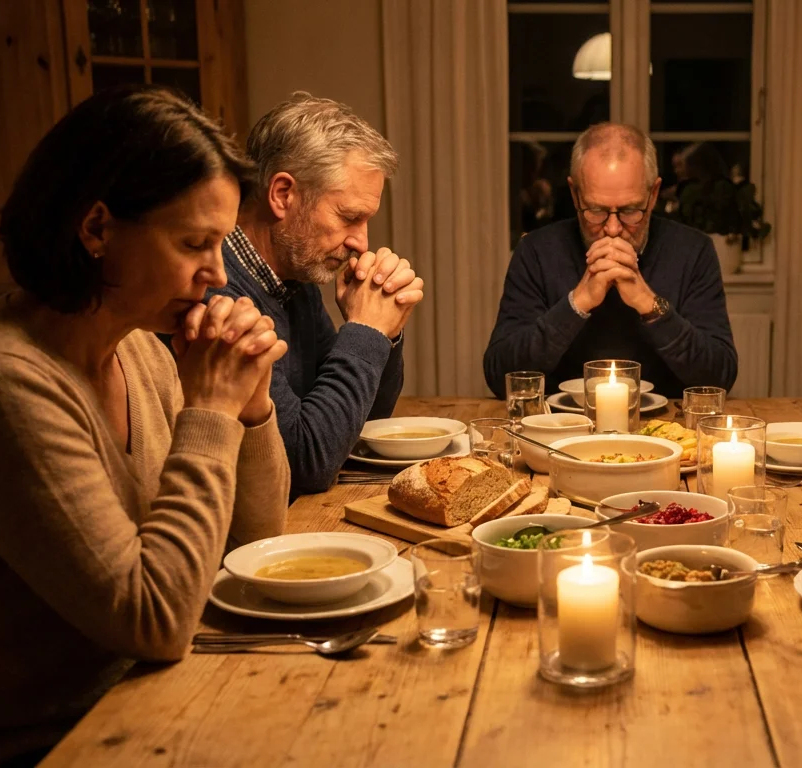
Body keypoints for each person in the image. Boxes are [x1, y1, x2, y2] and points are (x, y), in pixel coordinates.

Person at [0, 86, 290, 765]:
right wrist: (208, 411)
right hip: (30, 744)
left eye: (222, 244)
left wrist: (250, 402)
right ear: (95, 229)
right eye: (194, 243)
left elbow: (256, 538)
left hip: (139, 704)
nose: (218, 274)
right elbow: (154, 619)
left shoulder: (142, 349)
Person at [214, 93, 426, 498]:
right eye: (349, 217)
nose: (361, 243)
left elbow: (356, 423)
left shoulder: (292, 277)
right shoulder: (220, 295)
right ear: (282, 194)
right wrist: (366, 329)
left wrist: (386, 331)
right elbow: (306, 462)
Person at [484, 122, 737, 398]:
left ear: (653, 195)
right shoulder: (536, 251)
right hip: (560, 429)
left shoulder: (693, 251)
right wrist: (577, 303)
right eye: (596, 210)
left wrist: (649, 305)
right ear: (574, 194)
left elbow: (720, 377)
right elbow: (501, 376)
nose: (613, 228)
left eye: (630, 210)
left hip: (667, 430)